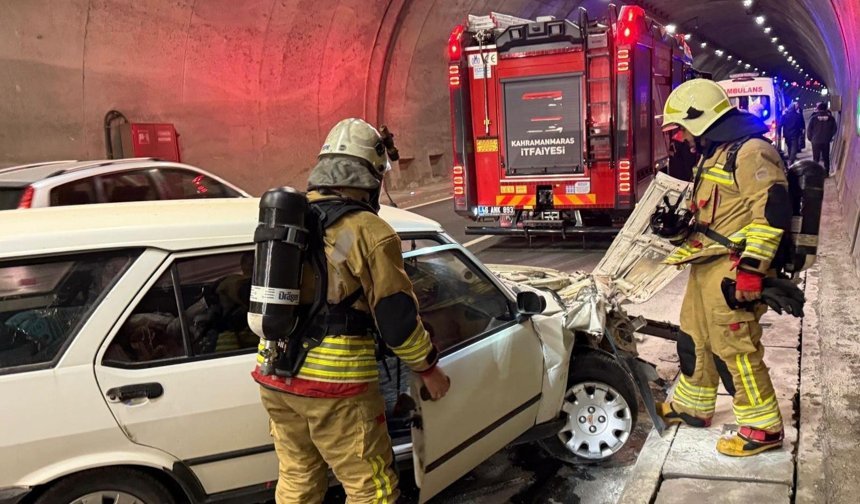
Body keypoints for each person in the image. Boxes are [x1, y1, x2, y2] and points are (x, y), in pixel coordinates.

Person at [253, 118, 450, 503]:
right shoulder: (369, 231)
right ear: (370, 175)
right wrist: (428, 368)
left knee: (298, 478)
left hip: (274, 373)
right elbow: (396, 320)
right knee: (370, 488)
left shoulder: (292, 221)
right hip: (336, 385)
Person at [655, 79, 791, 457]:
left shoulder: (750, 153)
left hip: (733, 269)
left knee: (736, 348)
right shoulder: (717, 152)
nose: (679, 138)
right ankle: (693, 406)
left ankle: (763, 428)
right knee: (694, 338)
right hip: (707, 264)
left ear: (701, 119)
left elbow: (772, 212)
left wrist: (752, 270)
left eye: (680, 128)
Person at [807, 101, 838, 175]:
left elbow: (809, 130)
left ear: (818, 109)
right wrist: (829, 136)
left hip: (815, 141)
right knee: (826, 157)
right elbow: (834, 129)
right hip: (825, 141)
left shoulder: (813, 118)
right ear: (826, 108)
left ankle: (816, 174)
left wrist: (811, 138)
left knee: (816, 158)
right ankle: (826, 172)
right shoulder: (831, 118)